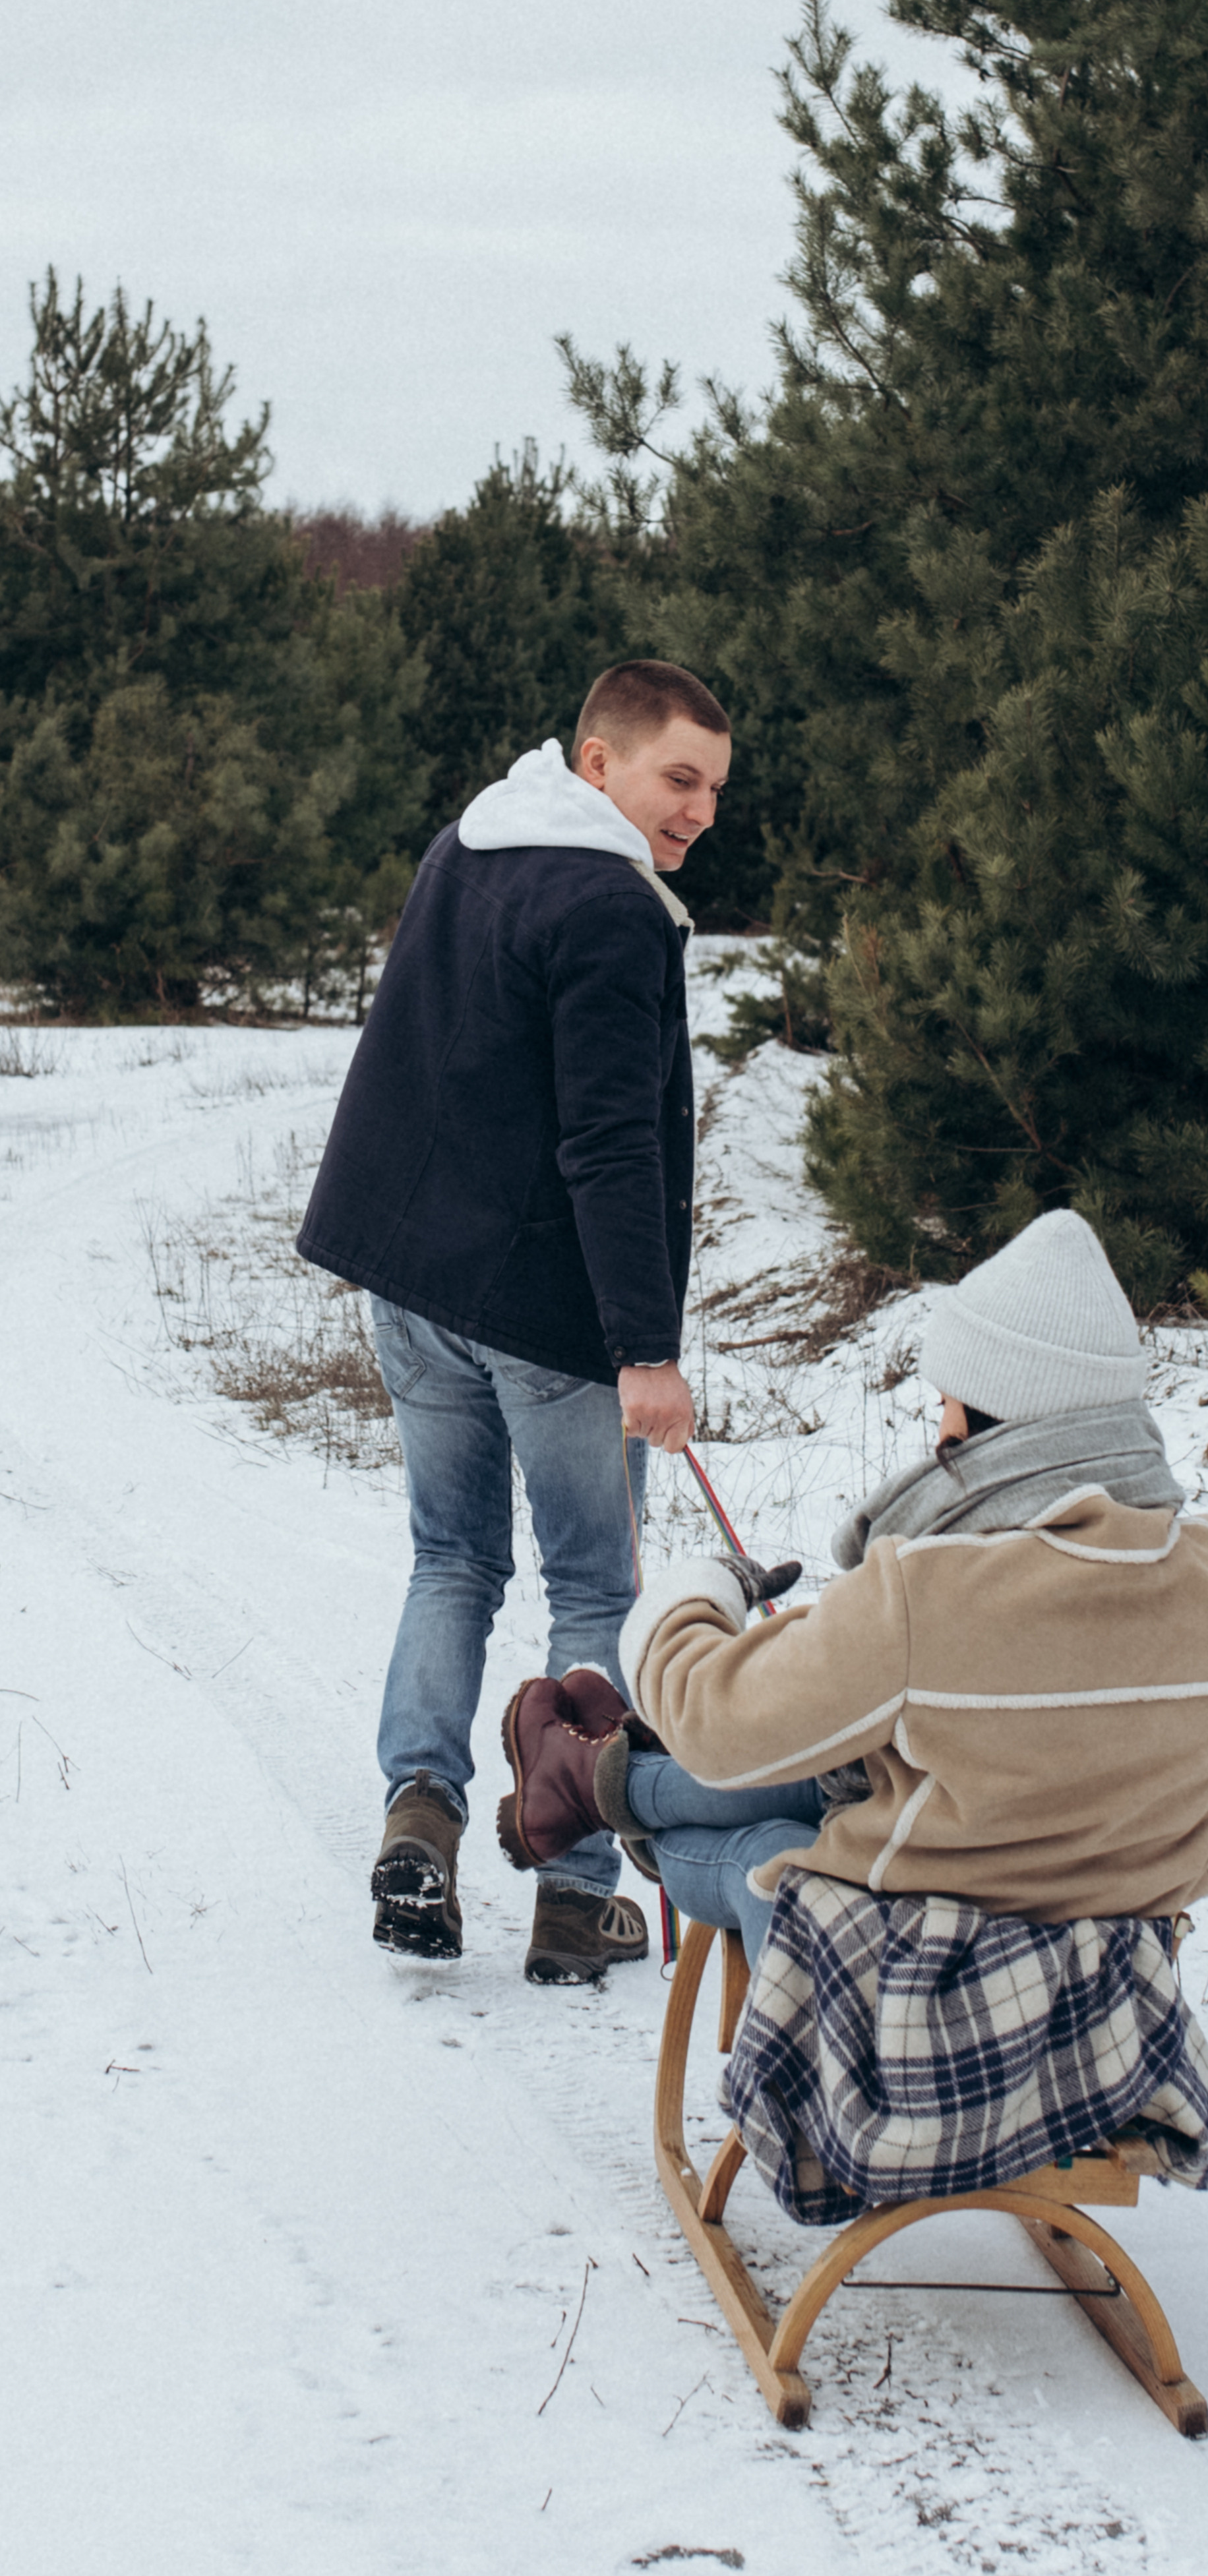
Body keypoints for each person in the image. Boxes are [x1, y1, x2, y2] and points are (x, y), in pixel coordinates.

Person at [498, 1210, 1208, 2215]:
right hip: (1115, 1988)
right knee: (846, 1770)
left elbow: (715, 1722)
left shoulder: (935, 1591)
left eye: (948, 1412)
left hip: (921, 2003)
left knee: (767, 1841)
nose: (939, 1438)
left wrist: (699, 1596)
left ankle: (603, 1790)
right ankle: (591, 1779)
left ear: (995, 1424)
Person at [296, 659, 730, 1982]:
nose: (701, 810)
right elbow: (611, 1144)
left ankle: (417, 1815)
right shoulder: (611, 907)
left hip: (417, 1282)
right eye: (678, 777)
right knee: (595, 1584)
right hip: (544, 1310)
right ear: (598, 762)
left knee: (452, 1557)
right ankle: (577, 1894)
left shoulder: (471, 844)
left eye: (716, 788)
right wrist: (644, 1349)